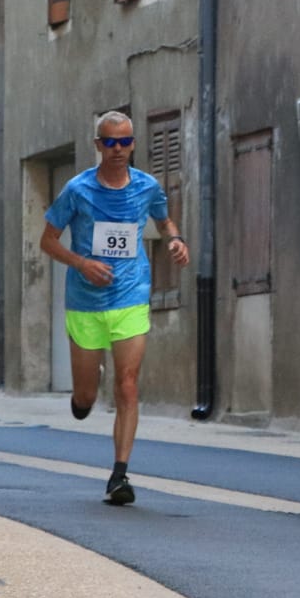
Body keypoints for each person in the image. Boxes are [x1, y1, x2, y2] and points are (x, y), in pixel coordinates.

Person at [37, 111, 189, 505]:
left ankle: (119, 475)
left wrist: (175, 241)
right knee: (86, 398)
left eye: (125, 142)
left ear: (134, 144)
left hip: (131, 296)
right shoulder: (77, 189)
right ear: (98, 146)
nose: (118, 149)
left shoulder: (147, 187)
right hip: (85, 303)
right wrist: (82, 263)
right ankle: (84, 394)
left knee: (127, 385)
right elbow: (48, 241)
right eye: (110, 142)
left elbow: (165, 220)